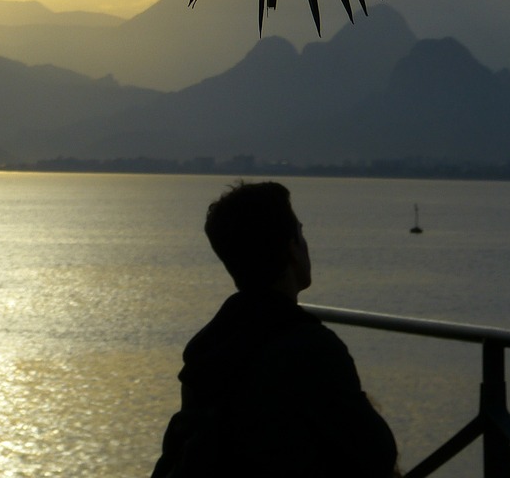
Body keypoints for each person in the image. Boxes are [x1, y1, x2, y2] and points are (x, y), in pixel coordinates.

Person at [150, 181, 399, 478]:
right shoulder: (311, 347)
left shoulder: (207, 348)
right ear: (292, 249)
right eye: (301, 234)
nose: (306, 245)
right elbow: (378, 453)